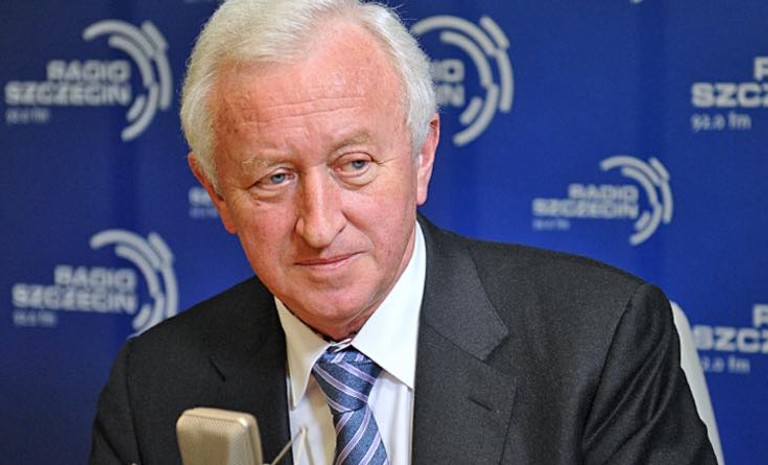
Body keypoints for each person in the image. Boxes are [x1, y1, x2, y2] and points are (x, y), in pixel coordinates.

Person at [90, 0, 717, 464]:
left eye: (354, 165)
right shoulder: (152, 386)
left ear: (422, 157)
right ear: (217, 193)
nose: (320, 226)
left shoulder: (600, 342)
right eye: (274, 178)